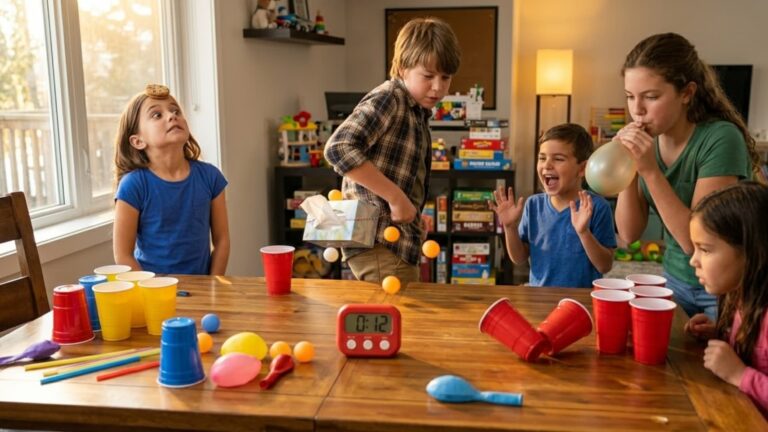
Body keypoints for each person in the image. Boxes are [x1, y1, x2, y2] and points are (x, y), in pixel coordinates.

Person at [615, 33, 760, 319]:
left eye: (651, 97)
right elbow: (629, 233)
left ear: (687, 93)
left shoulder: (721, 138)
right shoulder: (649, 144)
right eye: (630, 97)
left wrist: (649, 170)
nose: (637, 110)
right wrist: (627, 167)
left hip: (727, 288)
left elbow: (693, 241)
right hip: (675, 280)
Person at [323, 18, 461, 284]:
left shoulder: (417, 110)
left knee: (396, 319)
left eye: (445, 77)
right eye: (428, 76)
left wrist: (413, 216)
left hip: (393, 239)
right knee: (396, 319)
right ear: (402, 67)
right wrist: (397, 199)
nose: (438, 87)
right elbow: (339, 148)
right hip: (378, 241)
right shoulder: (391, 98)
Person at [113, 84, 230, 275]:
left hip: (201, 293)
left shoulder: (211, 177)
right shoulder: (133, 186)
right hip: (152, 293)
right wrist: (152, 292)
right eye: (157, 115)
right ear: (138, 141)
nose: (172, 116)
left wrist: (213, 286)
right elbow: (123, 256)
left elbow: (222, 239)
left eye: (175, 110)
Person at [491, 124, 616, 288]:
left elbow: (604, 266)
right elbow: (519, 258)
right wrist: (509, 227)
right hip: (540, 298)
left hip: (581, 302)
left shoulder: (598, 207)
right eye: (542, 158)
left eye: (558, 159)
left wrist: (583, 232)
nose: (547, 165)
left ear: (582, 168)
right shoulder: (533, 205)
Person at [685, 182, 768, 417]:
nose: (694, 260)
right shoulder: (739, 297)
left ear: (751, 252)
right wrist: (721, 334)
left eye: (706, 249)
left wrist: (740, 375)